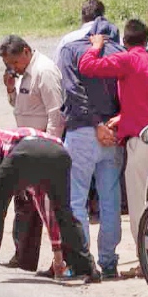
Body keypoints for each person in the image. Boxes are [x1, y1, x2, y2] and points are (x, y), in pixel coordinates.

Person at [0, 128, 99, 284]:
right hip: (59, 153)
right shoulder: (36, 139)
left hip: (24, 153)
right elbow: (46, 208)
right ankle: (87, 268)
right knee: (63, 212)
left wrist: (3, 181)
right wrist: (57, 252)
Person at [79, 19, 148, 244]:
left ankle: (143, 260)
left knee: (139, 205)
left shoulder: (128, 59)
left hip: (142, 142)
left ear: (124, 42)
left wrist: (96, 46)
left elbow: (86, 66)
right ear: (147, 41)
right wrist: (123, 117)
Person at [56, 16, 124, 280]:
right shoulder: (120, 52)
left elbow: (73, 91)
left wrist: (95, 124)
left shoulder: (70, 50)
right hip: (113, 133)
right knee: (110, 201)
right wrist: (111, 124)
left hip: (82, 132)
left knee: (77, 199)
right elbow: (125, 93)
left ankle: (82, 262)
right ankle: (109, 262)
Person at [0, 35, 65, 274]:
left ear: (26, 51)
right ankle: (23, 256)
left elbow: (55, 113)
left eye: (15, 63)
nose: (13, 68)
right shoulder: (23, 74)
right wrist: (9, 88)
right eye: (10, 65)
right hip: (25, 145)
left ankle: (59, 260)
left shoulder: (43, 71)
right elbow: (21, 105)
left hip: (42, 148)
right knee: (24, 202)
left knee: (48, 207)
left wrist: (50, 146)